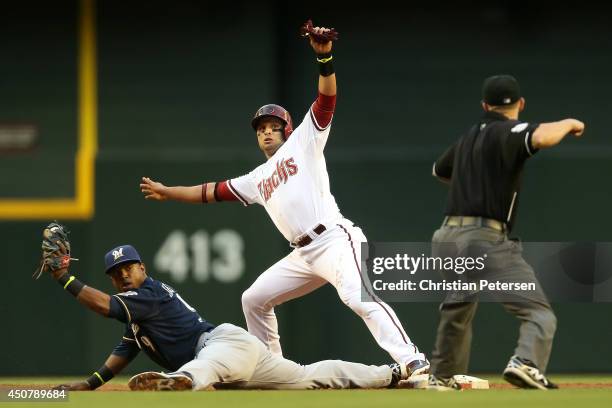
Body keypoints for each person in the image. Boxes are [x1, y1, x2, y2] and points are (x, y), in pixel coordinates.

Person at [139, 23, 429, 378]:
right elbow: (209, 192)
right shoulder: (256, 179)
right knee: (254, 298)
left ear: (286, 129)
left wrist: (325, 58)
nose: (265, 131)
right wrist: (168, 192)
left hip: (335, 239)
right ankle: (276, 371)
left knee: (357, 297)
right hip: (303, 254)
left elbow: (326, 101)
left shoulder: (303, 140)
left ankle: (413, 359)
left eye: (272, 125)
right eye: (260, 128)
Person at [50, 243, 408, 391]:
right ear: (112, 278)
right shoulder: (138, 311)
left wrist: (64, 278)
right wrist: (91, 383)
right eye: (117, 273)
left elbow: (104, 306)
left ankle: (179, 381)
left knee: (205, 364)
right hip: (237, 359)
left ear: (142, 268)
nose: (124, 274)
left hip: (221, 345)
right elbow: (125, 350)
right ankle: (390, 375)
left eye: (130, 267)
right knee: (307, 377)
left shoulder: (148, 294)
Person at [428, 74, 585, 390]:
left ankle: (441, 378)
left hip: (446, 237)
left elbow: (439, 170)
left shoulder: (469, 136)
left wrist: (475, 181)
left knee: (456, 310)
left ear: (484, 105)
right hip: (483, 238)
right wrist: (569, 122)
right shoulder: (509, 131)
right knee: (539, 315)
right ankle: (526, 363)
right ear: (521, 104)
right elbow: (542, 137)